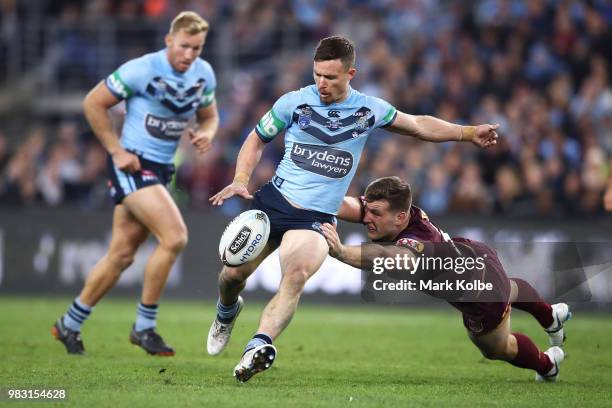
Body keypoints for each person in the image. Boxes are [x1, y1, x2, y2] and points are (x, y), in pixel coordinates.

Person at [207, 36, 499, 382]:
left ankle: (258, 346)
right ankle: (227, 311)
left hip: (315, 219)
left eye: (330, 77)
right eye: (317, 75)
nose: (321, 83)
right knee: (232, 276)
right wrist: (241, 178)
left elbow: (419, 125)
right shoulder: (293, 103)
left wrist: (467, 133)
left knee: (295, 276)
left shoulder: (369, 110)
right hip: (273, 204)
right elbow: (257, 138)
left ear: (351, 74)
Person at [52, 11, 219, 356]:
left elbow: (210, 115)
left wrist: (206, 133)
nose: (190, 54)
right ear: (169, 41)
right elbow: (93, 103)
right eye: (185, 46)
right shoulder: (142, 69)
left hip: (159, 171)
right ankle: (144, 327)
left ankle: (70, 323)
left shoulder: (204, 74)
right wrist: (115, 151)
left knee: (122, 254)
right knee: (175, 237)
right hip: (132, 164)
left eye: (197, 48)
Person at [321, 176, 571, 382]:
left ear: (399, 217)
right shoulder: (403, 212)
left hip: (480, 296)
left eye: (375, 213)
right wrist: (312, 202)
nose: (367, 218)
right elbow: (352, 206)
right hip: (476, 254)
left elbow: (386, 255)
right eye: (369, 211)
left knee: (496, 348)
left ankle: (548, 365)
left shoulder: (417, 245)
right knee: (510, 288)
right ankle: (550, 315)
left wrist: (342, 252)